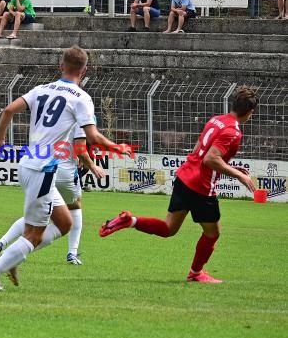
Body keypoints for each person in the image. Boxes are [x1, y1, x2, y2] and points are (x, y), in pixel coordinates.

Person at [0, 45, 132, 290]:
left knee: (65, 222)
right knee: (34, 234)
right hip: (44, 171)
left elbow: (8, 110)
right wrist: (118, 147)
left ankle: (13, 256)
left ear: (61, 66)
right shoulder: (81, 98)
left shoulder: (41, 89)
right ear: (84, 70)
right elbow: (93, 136)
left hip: (29, 164)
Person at [99, 86, 258, 284]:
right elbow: (210, 159)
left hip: (185, 176)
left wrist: (227, 167)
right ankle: (196, 273)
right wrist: (238, 175)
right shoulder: (233, 132)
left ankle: (130, 221)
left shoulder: (216, 120)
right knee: (212, 233)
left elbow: (200, 148)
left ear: (233, 104)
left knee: (168, 228)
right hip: (201, 186)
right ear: (250, 112)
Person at [0, 128, 106, 266]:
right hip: (66, 172)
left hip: (45, 169)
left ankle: (1, 243)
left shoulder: (53, 115)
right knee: (75, 207)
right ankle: (72, 253)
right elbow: (87, 141)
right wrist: (90, 163)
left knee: (36, 214)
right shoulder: (81, 114)